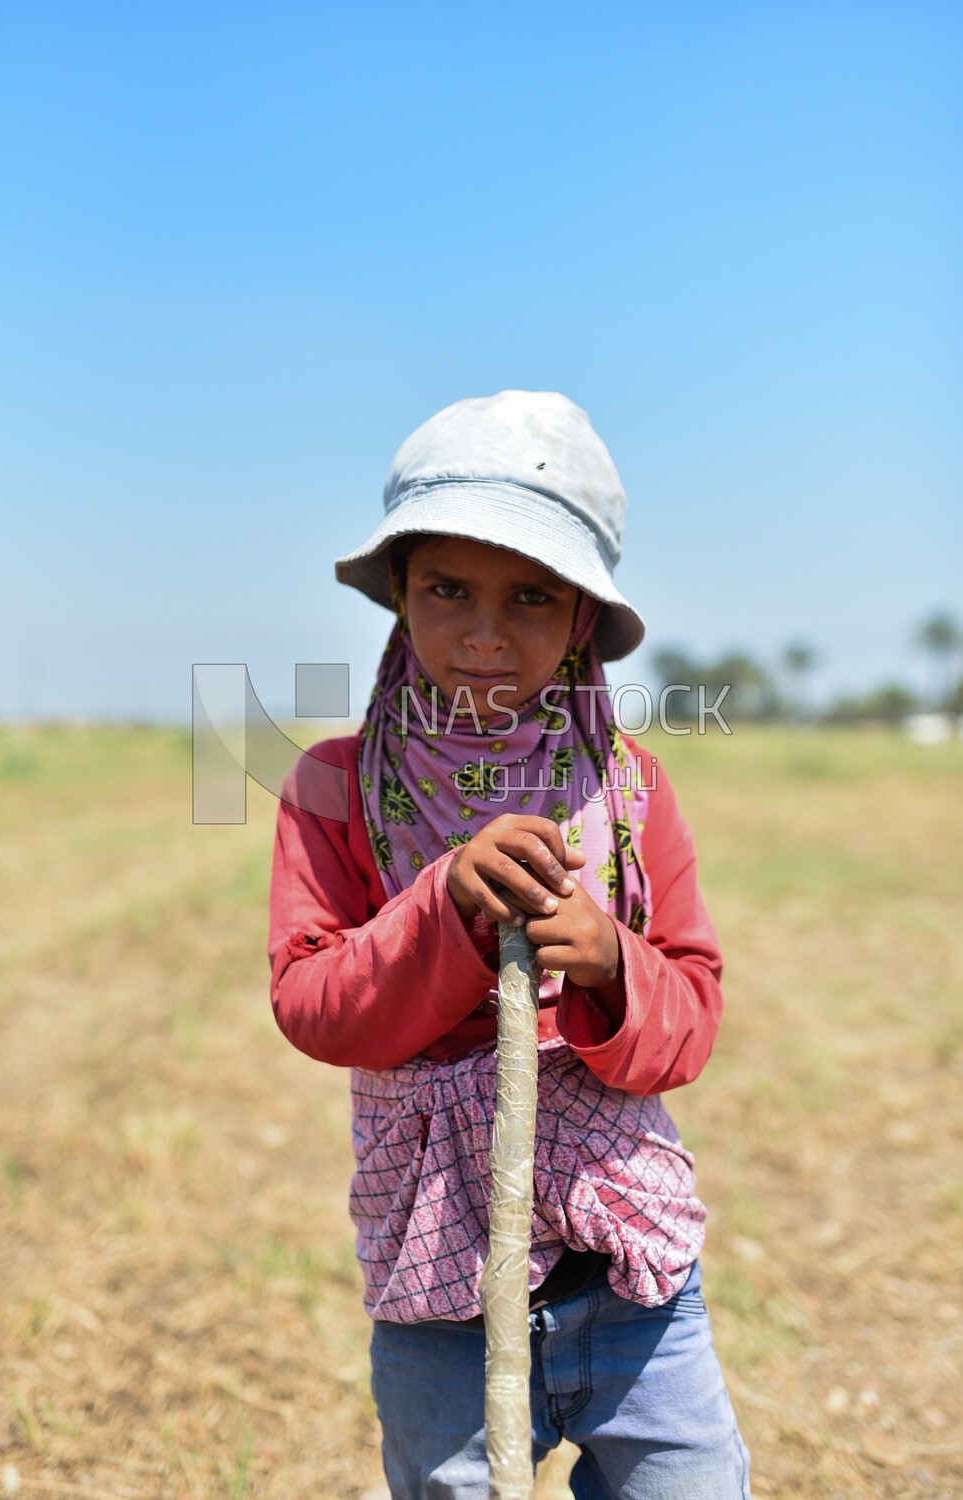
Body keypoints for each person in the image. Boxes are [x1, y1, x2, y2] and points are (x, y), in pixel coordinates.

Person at [268, 390, 752, 1498]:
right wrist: (443, 906)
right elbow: (312, 1001)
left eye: (530, 596)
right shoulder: (334, 789)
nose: (484, 632)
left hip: (633, 1282)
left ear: (582, 616)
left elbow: (690, 1015)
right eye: (447, 589)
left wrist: (609, 960)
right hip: (440, 1287)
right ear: (398, 594)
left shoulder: (626, 790)